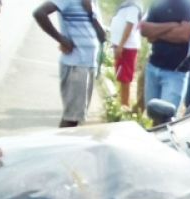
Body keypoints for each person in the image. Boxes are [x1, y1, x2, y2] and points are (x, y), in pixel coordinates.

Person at [33, 0, 106, 128]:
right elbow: (39, 13)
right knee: (71, 119)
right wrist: (61, 39)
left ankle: (64, 145)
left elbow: (102, 36)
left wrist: (91, 13)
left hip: (89, 64)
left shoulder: (93, 2)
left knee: (76, 117)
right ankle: (60, 147)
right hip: (75, 65)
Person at [140, 0, 190, 112]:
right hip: (153, 66)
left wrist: (155, 32)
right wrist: (172, 25)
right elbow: (143, 29)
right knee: (152, 113)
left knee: (165, 118)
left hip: (176, 72)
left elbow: (184, 35)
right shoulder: (157, 3)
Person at [109, 0, 143, 108]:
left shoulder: (134, 6)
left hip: (127, 47)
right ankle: (121, 102)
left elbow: (129, 26)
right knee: (120, 75)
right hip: (121, 46)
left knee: (125, 78)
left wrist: (121, 45)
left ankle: (124, 105)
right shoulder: (126, 5)